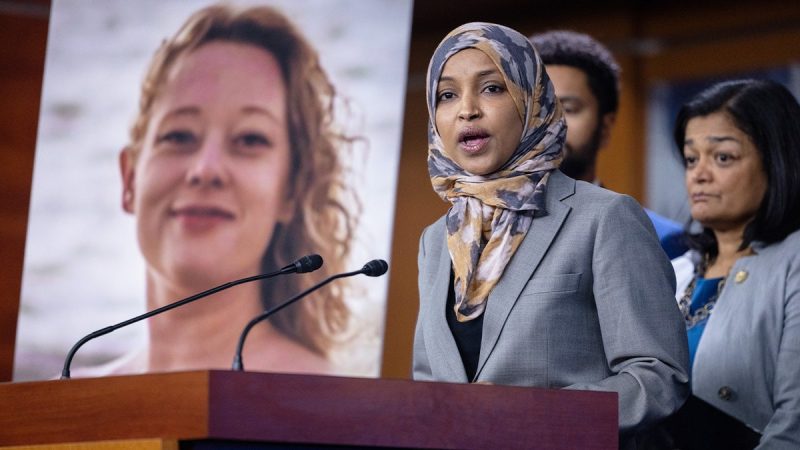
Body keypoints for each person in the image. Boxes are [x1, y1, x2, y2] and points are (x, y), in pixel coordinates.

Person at [412, 22, 689, 443]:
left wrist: (535, 414)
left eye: (492, 88)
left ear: (532, 100)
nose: (466, 109)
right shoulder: (435, 240)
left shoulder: (605, 217)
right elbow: (428, 384)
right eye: (446, 95)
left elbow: (659, 377)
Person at [106, 4, 358, 375]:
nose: (205, 169)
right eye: (178, 136)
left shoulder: (329, 403)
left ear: (291, 190)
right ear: (129, 179)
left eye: (250, 139)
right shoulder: (61, 397)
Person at [664, 79, 800, 449]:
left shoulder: (792, 262)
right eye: (691, 159)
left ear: (777, 161)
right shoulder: (674, 270)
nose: (699, 174)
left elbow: (793, 426)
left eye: (723, 157)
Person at [530, 30, 687, 259]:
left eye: (569, 109)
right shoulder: (488, 230)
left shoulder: (659, 237)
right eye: (537, 109)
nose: (551, 124)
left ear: (605, 126)